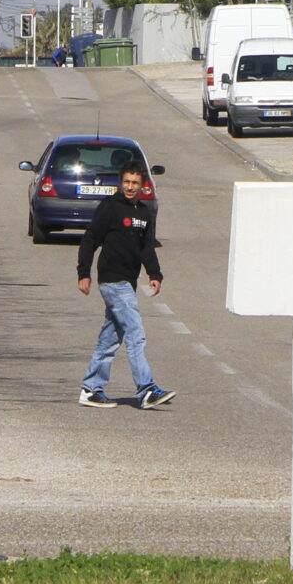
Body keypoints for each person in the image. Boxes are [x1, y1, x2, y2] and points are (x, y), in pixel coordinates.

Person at [76, 163, 173, 409]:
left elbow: (146, 247)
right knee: (135, 336)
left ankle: (91, 389)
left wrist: (155, 273)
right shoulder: (110, 207)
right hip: (112, 279)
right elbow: (90, 240)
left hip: (127, 282)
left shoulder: (144, 213)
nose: (130, 187)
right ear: (121, 183)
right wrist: (83, 273)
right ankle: (147, 389)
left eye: (135, 183)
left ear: (143, 186)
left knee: (110, 340)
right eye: (127, 182)